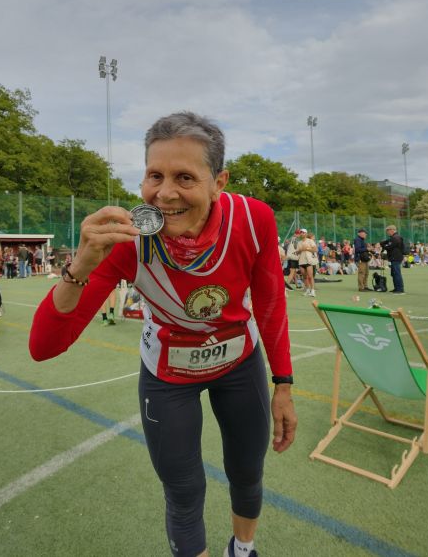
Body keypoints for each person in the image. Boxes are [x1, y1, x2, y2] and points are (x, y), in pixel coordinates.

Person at [29, 111, 297, 557]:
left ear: (219, 181)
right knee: (184, 489)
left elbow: (270, 303)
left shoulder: (254, 219)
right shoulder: (126, 240)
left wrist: (283, 383)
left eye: (185, 177)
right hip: (168, 374)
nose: (165, 192)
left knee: (247, 471)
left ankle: (243, 549)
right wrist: (80, 265)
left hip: (239, 362)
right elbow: (44, 347)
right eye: (155, 175)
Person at [381, 224, 405, 294]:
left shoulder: (395, 238)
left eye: (388, 231)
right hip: (395, 257)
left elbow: (389, 246)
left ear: (392, 230)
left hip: (396, 257)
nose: (387, 232)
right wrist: (384, 243)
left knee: (396, 273)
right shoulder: (395, 237)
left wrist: (383, 245)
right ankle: (397, 288)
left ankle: (400, 289)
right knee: (394, 273)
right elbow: (388, 244)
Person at [297, 230, 318, 297]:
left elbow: (315, 249)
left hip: (309, 261)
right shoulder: (299, 242)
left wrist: (306, 248)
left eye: (303, 233)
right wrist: (300, 250)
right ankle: (307, 289)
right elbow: (297, 252)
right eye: (301, 233)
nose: (302, 234)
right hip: (301, 261)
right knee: (304, 277)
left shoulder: (310, 241)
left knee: (310, 276)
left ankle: (313, 291)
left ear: (306, 234)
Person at [354, 228, 372, 292]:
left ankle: (365, 286)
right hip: (360, 259)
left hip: (364, 259)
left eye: (365, 233)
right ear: (359, 233)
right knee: (362, 273)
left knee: (366, 273)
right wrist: (367, 249)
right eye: (364, 233)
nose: (365, 234)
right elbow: (357, 249)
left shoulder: (362, 240)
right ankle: (361, 287)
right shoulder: (358, 240)